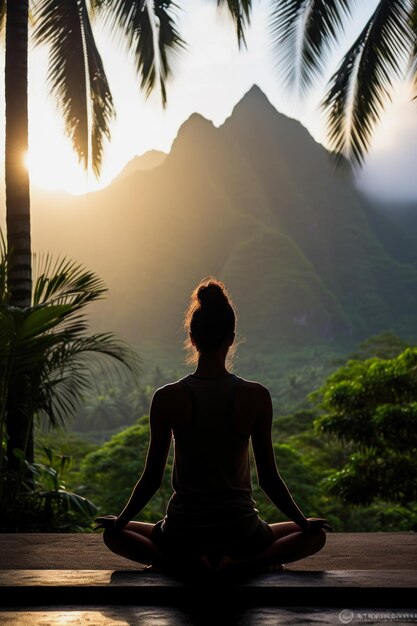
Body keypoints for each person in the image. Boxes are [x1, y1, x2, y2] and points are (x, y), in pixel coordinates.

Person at [96, 278, 329, 575]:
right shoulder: (256, 396)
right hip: (241, 530)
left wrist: (121, 522)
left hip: (183, 532)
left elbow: (151, 479)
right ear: (231, 339)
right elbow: (269, 479)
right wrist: (302, 522)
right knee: (315, 536)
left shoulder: (167, 397)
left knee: (113, 534)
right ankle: (242, 562)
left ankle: (183, 561)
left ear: (192, 338)